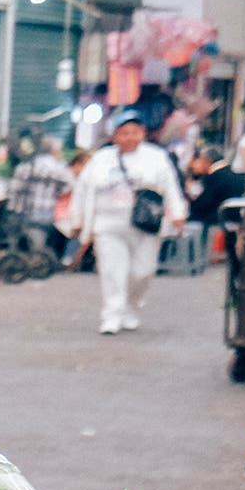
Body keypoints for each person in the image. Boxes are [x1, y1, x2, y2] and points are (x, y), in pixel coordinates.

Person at [77, 109, 189, 334]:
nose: (129, 137)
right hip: (108, 225)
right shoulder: (101, 159)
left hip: (145, 224)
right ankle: (112, 314)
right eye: (124, 133)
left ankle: (130, 306)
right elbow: (83, 190)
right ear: (115, 136)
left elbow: (171, 187)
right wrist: (79, 220)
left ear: (143, 134)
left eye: (134, 132)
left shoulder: (156, 157)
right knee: (112, 271)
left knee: (143, 270)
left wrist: (178, 213)